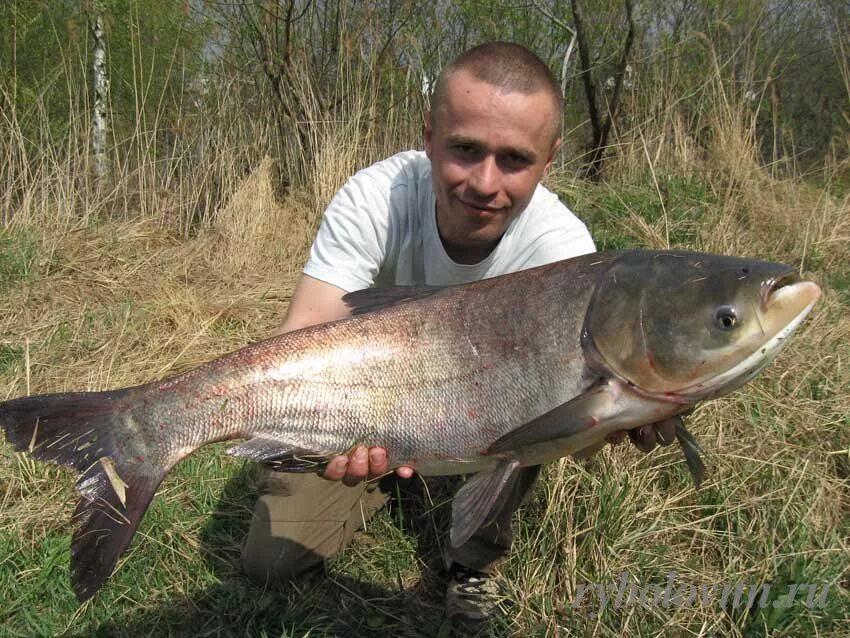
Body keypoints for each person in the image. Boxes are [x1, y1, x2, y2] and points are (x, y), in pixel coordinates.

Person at [241, 41, 673, 625]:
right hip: (363, 403)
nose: (485, 183)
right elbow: (304, 332)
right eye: (465, 150)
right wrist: (318, 439)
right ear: (428, 135)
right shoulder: (376, 197)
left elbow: (580, 420)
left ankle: (474, 561)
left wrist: (627, 411)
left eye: (516, 160)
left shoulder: (563, 251)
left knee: (542, 400)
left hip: (493, 414)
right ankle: (389, 478)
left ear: (550, 159)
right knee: (270, 564)